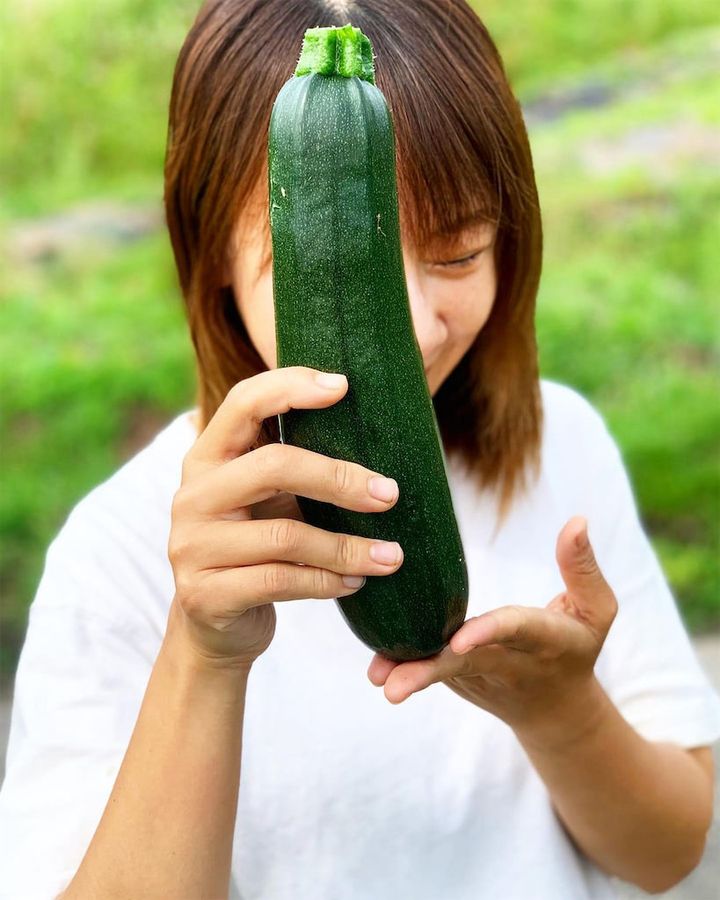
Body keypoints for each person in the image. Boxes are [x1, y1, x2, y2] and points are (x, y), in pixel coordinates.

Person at [1, 0, 718, 897]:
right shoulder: (117, 554)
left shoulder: (560, 445)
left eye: (457, 254)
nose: (411, 327)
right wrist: (204, 654)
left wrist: (564, 714)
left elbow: (671, 854)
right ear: (213, 253)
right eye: (340, 271)